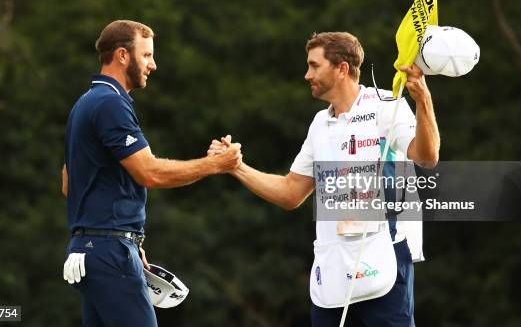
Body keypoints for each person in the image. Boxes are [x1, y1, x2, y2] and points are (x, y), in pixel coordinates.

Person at [209, 32, 439, 326]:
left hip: (383, 262)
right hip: (332, 273)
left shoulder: (386, 106)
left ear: (342, 69)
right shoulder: (320, 124)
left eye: (314, 66)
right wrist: (235, 166)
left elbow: (427, 156)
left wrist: (424, 100)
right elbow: (291, 193)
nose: (307, 75)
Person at [61, 20, 241, 327]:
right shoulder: (109, 103)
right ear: (122, 55)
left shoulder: (85, 103)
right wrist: (214, 165)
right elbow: (150, 173)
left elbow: (69, 183)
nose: (153, 65)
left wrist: (127, 240)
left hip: (92, 250)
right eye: (146, 56)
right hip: (107, 252)